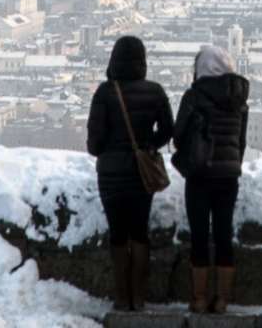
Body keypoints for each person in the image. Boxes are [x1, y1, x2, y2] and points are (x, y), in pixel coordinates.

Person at [87, 35, 173, 311]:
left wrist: (107, 150)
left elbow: (94, 143)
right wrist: (148, 147)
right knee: (139, 233)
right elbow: (169, 130)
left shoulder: (104, 93)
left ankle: (121, 298)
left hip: (111, 175)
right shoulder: (156, 92)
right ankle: (139, 297)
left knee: (117, 234)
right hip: (140, 174)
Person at [173, 43, 251, 314]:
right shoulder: (239, 98)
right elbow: (241, 142)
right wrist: (232, 164)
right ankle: (221, 300)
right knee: (223, 234)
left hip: (200, 174)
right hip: (228, 175)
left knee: (199, 235)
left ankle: (198, 298)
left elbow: (179, 133)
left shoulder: (194, 96)